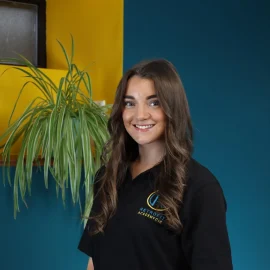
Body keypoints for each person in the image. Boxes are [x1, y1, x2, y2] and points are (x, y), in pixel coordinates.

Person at [78, 59, 233, 270]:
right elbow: (94, 261)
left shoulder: (200, 188)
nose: (140, 115)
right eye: (129, 103)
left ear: (172, 108)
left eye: (154, 102)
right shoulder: (107, 177)